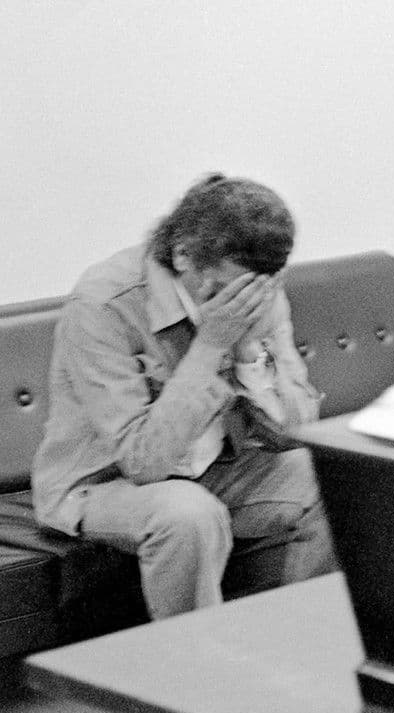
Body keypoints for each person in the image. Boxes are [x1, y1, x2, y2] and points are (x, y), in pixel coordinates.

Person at [31, 173, 337, 619]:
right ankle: (196, 659)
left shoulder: (257, 293)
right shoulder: (103, 305)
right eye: (226, 289)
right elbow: (144, 463)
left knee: (336, 477)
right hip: (103, 483)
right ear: (183, 255)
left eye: (257, 289)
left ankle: (296, 637)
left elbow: (300, 430)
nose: (242, 302)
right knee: (189, 515)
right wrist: (211, 346)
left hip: (218, 468)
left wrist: (249, 353)